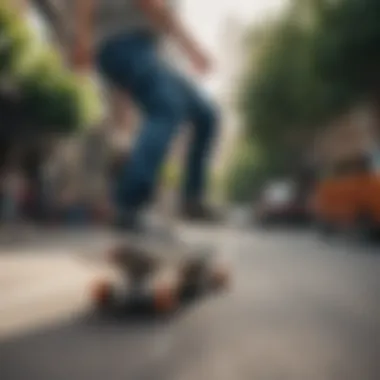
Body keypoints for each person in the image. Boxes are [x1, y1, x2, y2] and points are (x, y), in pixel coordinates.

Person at [74, 0, 220, 231]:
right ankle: (129, 204)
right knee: (166, 107)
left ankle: (192, 198)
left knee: (206, 114)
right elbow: (155, 8)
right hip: (123, 44)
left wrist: (83, 38)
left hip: (143, 50)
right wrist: (193, 50)